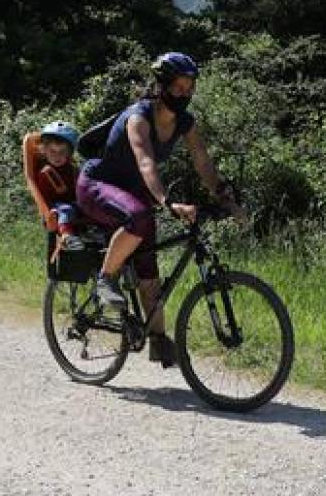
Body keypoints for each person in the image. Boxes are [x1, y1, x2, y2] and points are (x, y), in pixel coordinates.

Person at [75, 52, 235, 367]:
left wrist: (222, 194)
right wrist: (166, 201)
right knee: (138, 216)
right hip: (97, 185)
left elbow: (202, 161)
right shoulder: (139, 117)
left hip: (133, 193)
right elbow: (145, 160)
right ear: (161, 86)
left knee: (149, 271)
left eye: (190, 88)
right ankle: (106, 279)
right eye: (178, 87)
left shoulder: (184, 123)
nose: (185, 94)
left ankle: (158, 340)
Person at [22, 120, 84, 256]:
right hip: (53, 209)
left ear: (69, 152)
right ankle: (67, 236)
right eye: (53, 152)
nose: (57, 156)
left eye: (62, 152)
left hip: (73, 203)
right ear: (44, 151)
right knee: (65, 210)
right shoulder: (46, 172)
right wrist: (47, 212)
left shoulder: (72, 169)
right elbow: (42, 196)